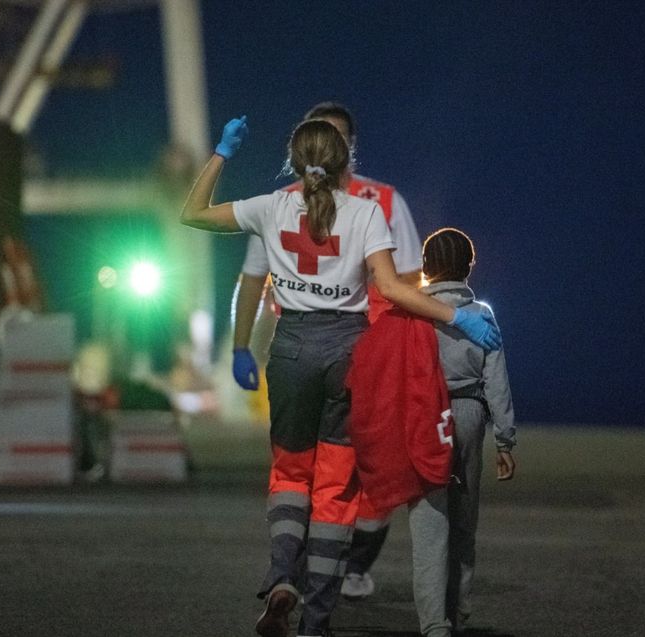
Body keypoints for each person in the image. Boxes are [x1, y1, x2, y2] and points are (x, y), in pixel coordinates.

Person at [180, 116, 501, 637]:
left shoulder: (270, 206)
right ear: (345, 161)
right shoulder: (366, 213)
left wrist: (222, 152)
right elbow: (393, 290)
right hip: (346, 353)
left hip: (290, 349)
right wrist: (456, 316)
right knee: (335, 487)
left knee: (288, 475)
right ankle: (317, 618)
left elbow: (191, 213)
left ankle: (284, 574)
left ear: (294, 161)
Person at [229, 102, 420, 600]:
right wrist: (239, 345)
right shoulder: (299, 204)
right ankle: (315, 587)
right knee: (331, 472)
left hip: (339, 352)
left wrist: (409, 349)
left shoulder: (378, 201)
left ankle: (318, 570)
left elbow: (412, 276)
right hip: (346, 353)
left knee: (336, 468)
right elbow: (253, 279)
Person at [409, 227, 516, 637]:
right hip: (470, 414)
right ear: (469, 266)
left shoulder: (415, 310)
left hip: (424, 416)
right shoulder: (483, 315)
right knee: (464, 521)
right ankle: (458, 611)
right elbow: (498, 382)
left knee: (428, 523)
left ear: (426, 267)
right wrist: (505, 440)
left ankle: (433, 623)